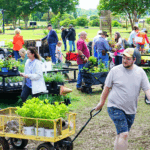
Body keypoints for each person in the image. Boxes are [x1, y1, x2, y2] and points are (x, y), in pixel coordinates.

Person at [95, 48, 150, 150]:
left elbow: (147, 89)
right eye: (123, 58)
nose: (124, 60)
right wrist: (101, 103)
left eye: (128, 59)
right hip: (115, 106)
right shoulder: (115, 71)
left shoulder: (140, 72)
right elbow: (106, 88)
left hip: (131, 110)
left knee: (121, 134)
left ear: (134, 59)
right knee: (124, 134)